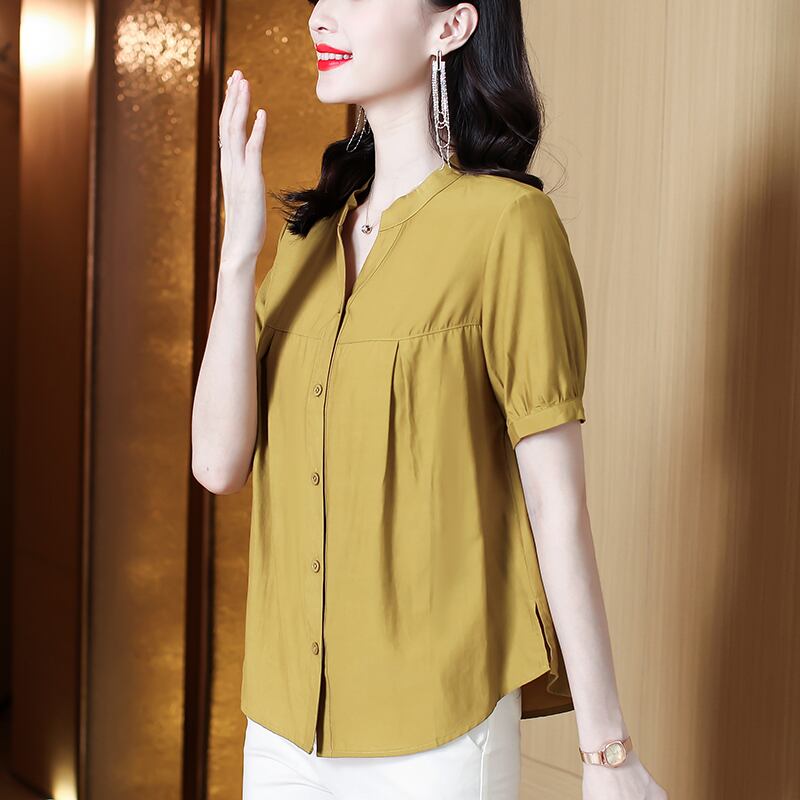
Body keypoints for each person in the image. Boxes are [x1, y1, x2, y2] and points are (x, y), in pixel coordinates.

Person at [192, 1, 668, 798]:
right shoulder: (307, 241)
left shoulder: (510, 226)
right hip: (281, 735)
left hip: (438, 739)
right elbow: (216, 464)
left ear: (450, 27)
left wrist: (606, 752)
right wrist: (238, 259)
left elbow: (556, 506)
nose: (322, 16)